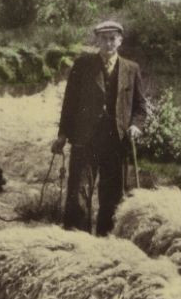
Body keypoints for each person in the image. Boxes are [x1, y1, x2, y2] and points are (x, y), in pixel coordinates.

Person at [51, 20, 148, 235]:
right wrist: (63, 134)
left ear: (120, 41)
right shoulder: (83, 65)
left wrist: (135, 126)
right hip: (85, 140)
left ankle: (106, 242)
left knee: (113, 196)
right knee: (78, 194)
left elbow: (140, 106)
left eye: (112, 38)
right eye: (103, 38)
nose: (108, 43)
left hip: (116, 142)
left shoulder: (132, 69)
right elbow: (70, 103)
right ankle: (77, 242)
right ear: (97, 40)